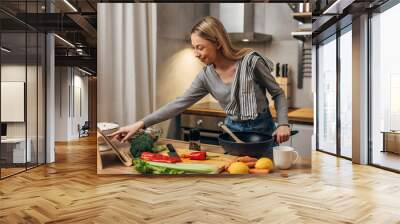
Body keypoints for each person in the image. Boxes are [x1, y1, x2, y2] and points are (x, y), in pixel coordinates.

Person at [110, 16, 291, 145]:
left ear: (218, 43)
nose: (196, 53)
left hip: (263, 133)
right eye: (194, 47)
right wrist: (140, 124)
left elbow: (278, 93)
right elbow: (178, 104)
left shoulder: (251, 62)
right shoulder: (206, 76)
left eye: (200, 47)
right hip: (231, 134)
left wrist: (283, 124)